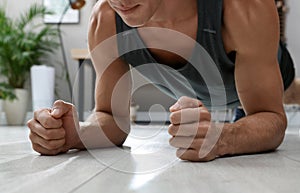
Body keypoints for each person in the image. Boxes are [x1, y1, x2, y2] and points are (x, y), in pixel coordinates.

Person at [27, 0, 295, 162]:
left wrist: (224, 136)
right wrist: (77, 134)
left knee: (286, 92)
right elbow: (112, 117)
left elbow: (270, 116)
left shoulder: (242, 8)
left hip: (269, 74)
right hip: (201, 86)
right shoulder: (105, 21)